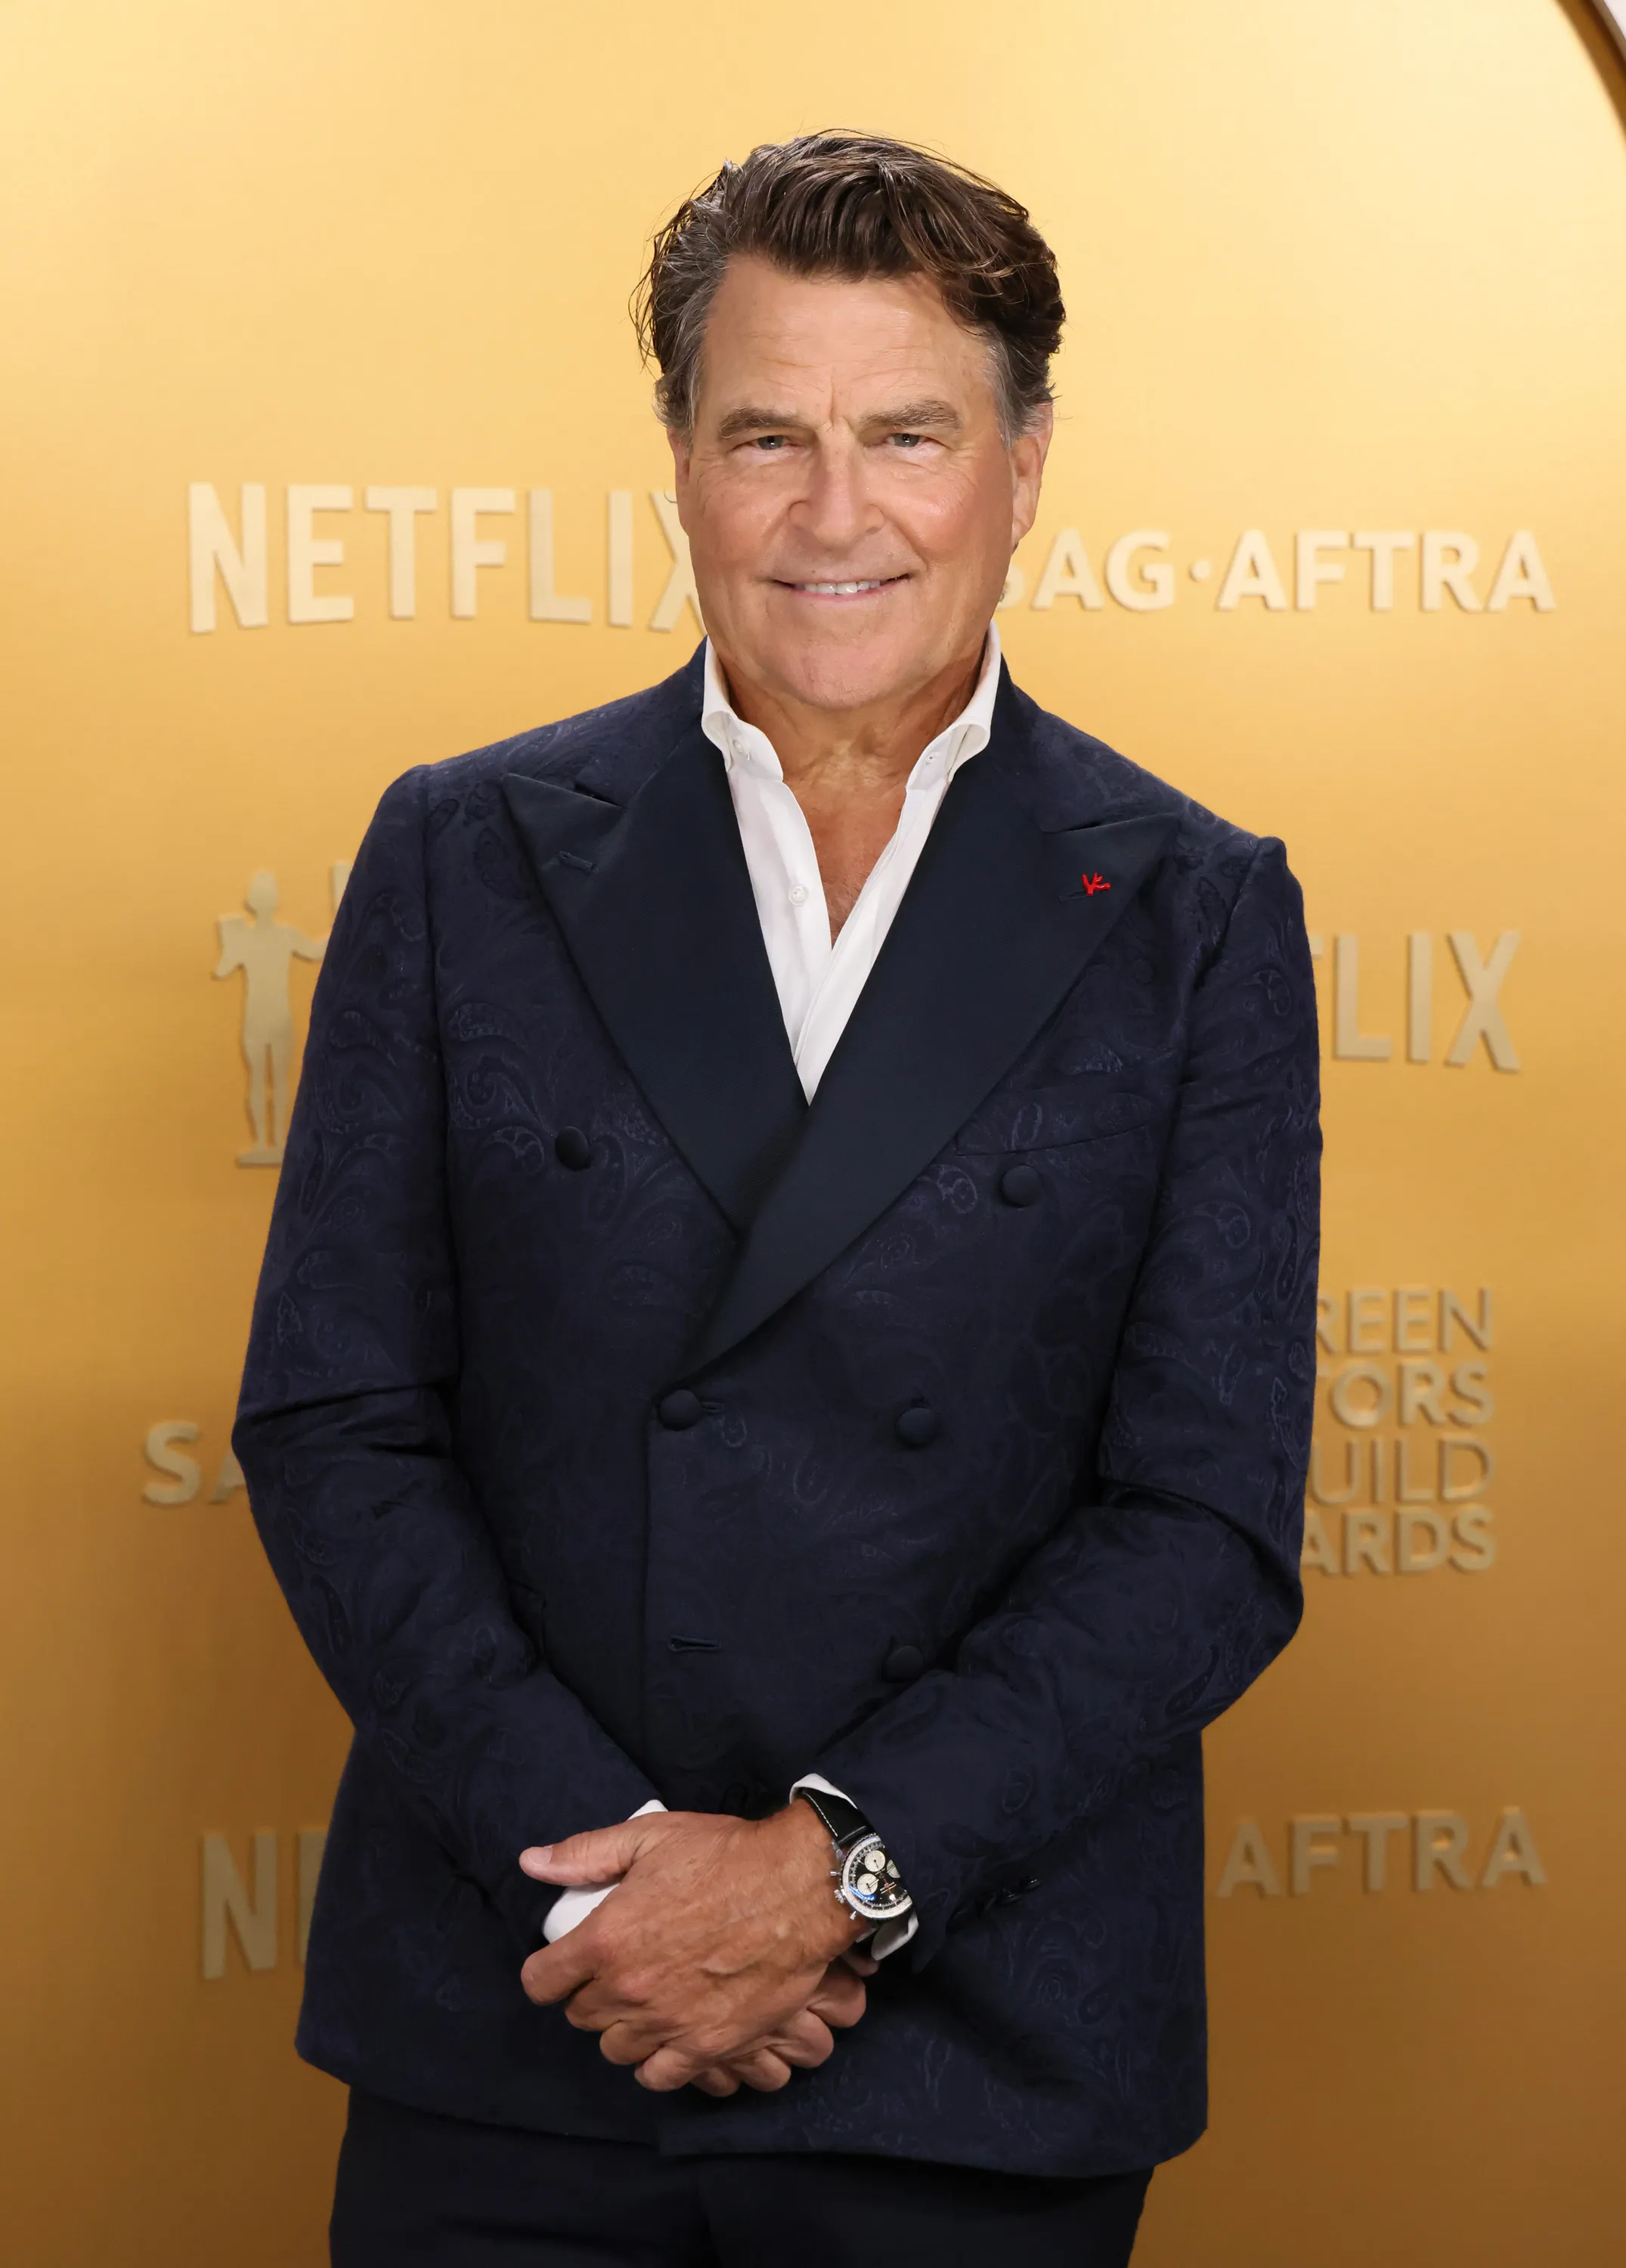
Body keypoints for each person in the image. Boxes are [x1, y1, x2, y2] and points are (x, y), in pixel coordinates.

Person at [235, 130, 1321, 2266]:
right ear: (678, 462)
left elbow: (1200, 1521)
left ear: (1019, 464)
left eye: (907, 432)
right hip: (527, 2006)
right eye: (768, 436)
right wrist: (620, 1884)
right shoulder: (464, 854)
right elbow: (338, 1420)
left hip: (975, 2045)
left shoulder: (1194, 908)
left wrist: (832, 1874)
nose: (837, 514)